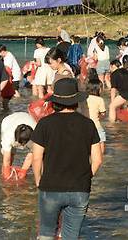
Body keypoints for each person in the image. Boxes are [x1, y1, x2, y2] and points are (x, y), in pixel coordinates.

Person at [31, 78, 103, 239]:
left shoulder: (44, 123)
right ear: (76, 101)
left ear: (55, 101)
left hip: (50, 187)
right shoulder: (88, 124)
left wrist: (38, 180)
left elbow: (36, 158)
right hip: (80, 188)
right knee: (71, 236)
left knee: (46, 233)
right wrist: (85, 177)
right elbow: (97, 159)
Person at [0, 112, 36, 179]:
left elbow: (31, 155)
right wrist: (6, 177)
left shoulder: (36, 134)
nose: (22, 146)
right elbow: (6, 159)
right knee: (10, 155)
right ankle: (4, 176)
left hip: (26, 118)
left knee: (37, 154)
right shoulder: (8, 136)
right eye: (20, 143)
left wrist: (23, 171)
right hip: (8, 121)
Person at [85, 79, 107, 154]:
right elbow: (103, 114)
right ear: (97, 89)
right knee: (101, 146)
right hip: (96, 126)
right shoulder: (99, 99)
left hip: (85, 126)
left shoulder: (84, 98)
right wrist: (99, 117)